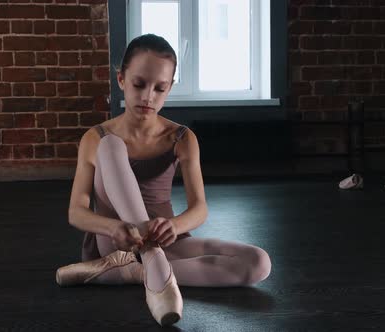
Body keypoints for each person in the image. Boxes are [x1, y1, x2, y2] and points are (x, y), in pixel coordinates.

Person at [56, 34, 271, 326]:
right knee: (111, 146)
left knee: (259, 263)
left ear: (169, 88)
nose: (148, 97)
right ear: (121, 79)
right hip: (119, 242)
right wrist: (113, 227)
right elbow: (76, 212)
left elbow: (200, 208)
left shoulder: (181, 137)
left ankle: (131, 272)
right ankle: (148, 262)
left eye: (160, 88)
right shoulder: (96, 137)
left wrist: (175, 225)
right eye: (139, 84)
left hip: (165, 239)